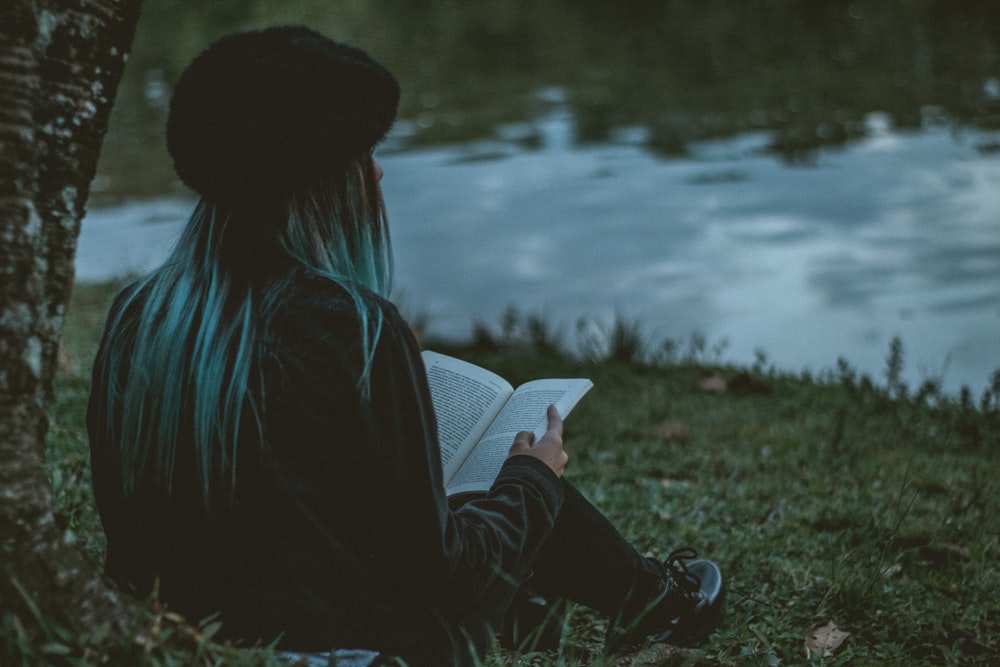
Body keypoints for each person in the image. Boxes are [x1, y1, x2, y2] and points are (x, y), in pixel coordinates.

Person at [88, 26, 725, 666]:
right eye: (364, 151)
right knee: (516, 477)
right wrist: (537, 481)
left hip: (176, 640)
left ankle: (634, 598)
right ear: (317, 178)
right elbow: (443, 580)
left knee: (479, 493)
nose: (378, 169)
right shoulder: (354, 327)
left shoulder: (138, 313)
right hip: (347, 650)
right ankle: (659, 602)